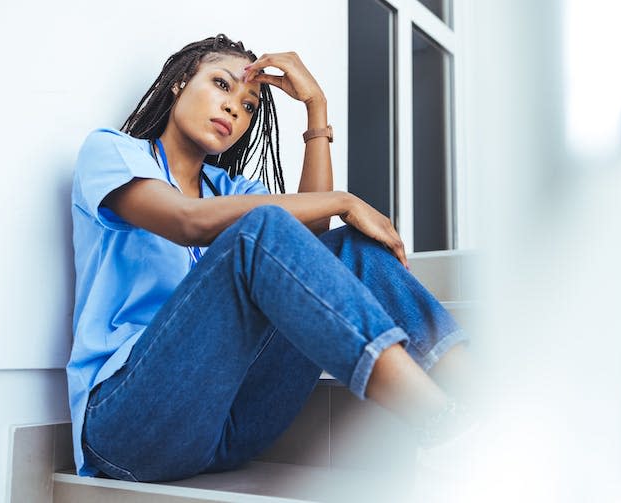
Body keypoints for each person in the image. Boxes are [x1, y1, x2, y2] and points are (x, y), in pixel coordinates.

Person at [67, 33, 469, 483]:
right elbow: (187, 219)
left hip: (229, 423)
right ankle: (442, 426)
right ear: (180, 81)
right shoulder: (112, 153)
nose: (235, 108)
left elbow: (311, 249)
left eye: (250, 105)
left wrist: (316, 107)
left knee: (352, 250)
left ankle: (480, 402)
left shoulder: (231, 190)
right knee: (264, 228)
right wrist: (344, 201)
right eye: (222, 85)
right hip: (130, 422)